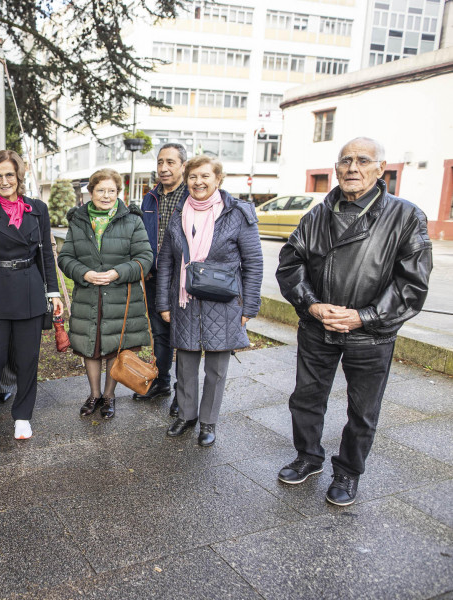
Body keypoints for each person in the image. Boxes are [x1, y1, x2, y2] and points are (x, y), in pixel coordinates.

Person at [275, 137, 432, 506]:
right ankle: (308, 457)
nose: (352, 168)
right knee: (306, 398)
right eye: (345, 160)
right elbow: (290, 263)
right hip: (317, 326)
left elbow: (412, 283)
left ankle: (348, 471)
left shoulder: (406, 215)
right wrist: (312, 306)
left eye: (363, 160)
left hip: (371, 335)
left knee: (363, 410)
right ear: (335, 168)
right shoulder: (318, 213)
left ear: (381, 169)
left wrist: (365, 316)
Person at [155, 155, 263, 447]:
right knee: (186, 362)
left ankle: (208, 422)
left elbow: (254, 263)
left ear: (218, 179)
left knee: (216, 368)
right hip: (185, 300)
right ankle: (187, 415)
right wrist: (163, 303)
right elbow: (166, 261)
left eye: (205, 176)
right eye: (193, 177)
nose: (198, 182)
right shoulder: (179, 213)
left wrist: (249, 307)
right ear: (186, 179)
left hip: (225, 302)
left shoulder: (238, 213)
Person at [0, 150, 63, 440]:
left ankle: (23, 415)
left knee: (27, 359)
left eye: (9, 174)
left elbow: (46, 254)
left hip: (30, 291)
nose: (4, 181)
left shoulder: (38, 209)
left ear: (19, 176)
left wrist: (54, 292)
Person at [58, 168, 154, 419]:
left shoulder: (132, 220)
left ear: (118, 193)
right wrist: (84, 274)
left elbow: (145, 259)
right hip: (89, 294)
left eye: (112, 191)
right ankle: (94, 394)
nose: (106, 195)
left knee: (114, 347)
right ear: (90, 192)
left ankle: (110, 396)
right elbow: (66, 257)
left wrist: (117, 273)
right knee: (91, 346)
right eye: (100, 190)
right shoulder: (79, 220)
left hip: (121, 296)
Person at [136, 144, 189, 417]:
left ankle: (184, 394)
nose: (164, 168)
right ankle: (161, 383)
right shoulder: (150, 198)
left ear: (183, 165)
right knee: (160, 334)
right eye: (160, 162)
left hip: (184, 280)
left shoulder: (192, 195)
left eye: (170, 162)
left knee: (185, 337)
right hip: (154, 278)